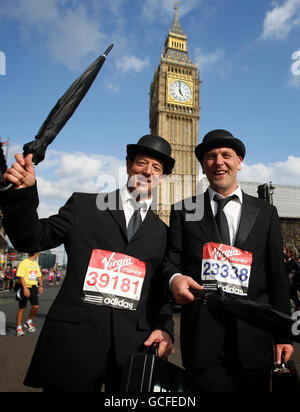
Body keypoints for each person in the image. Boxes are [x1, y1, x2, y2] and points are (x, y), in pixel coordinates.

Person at [1, 134, 175, 392]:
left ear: (161, 177)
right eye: (142, 163)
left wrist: (165, 329)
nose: (148, 172)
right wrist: (23, 196)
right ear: (128, 166)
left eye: (156, 168)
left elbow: (160, 292)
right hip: (75, 342)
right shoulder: (85, 206)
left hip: (132, 347)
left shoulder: (162, 232)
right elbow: (31, 239)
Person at [164, 129, 294, 392]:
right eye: (211, 156)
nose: (219, 162)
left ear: (239, 161)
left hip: (254, 339)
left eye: (226, 155)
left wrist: (284, 334)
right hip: (203, 339)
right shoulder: (183, 210)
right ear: (202, 165)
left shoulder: (265, 212)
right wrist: (175, 278)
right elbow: (171, 261)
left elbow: (276, 277)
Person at [15, 252, 43, 337]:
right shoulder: (23, 263)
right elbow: (21, 277)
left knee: (35, 306)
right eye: (38, 252)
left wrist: (41, 285)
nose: (39, 253)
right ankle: (19, 327)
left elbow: (39, 275)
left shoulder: (35, 263)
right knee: (22, 308)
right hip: (24, 287)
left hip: (34, 287)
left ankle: (29, 321)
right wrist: (25, 288)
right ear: (35, 253)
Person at [285, 246, 300, 310]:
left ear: (291, 253)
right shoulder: (291, 260)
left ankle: (298, 306)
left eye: (288, 252)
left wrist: (284, 263)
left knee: (293, 295)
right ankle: (297, 306)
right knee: (293, 295)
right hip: (292, 281)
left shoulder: (293, 261)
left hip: (293, 281)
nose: (287, 254)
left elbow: (288, 268)